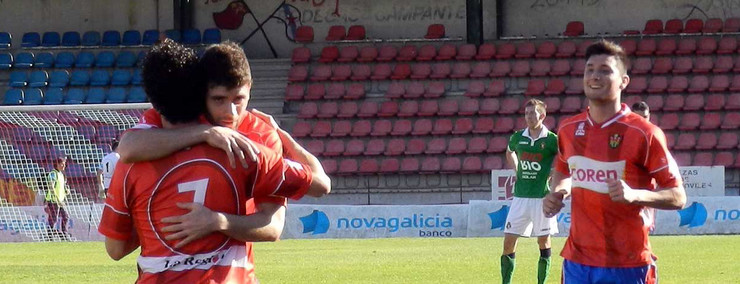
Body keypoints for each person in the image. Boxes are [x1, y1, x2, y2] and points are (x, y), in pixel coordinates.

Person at [98, 39, 330, 283]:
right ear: (202, 95)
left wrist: (217, 221)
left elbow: (273, 227)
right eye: (219, 99)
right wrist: (205, 133)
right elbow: (128, 147)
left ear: (250, 89)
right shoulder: (179, 122)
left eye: (238, 99)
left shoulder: (258, 139)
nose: (231, 113)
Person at [543, 40, 686, 284]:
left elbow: (678, 197)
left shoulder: (645, 133)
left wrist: (636, 195)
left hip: (628, 264)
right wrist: (558, 192)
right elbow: (563, 170)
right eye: (590, 69)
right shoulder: (568, 129)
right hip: (578, 262)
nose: (594, 76)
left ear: (624, 81)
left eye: (605, 70)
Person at [501, 98, 558, 284]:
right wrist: (516, 170)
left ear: (542, 115)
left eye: (533, 113)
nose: (529, 117)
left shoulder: (551, 140)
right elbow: (509, 152)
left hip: (542, 198)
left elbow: (566, 159)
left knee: (543, 242)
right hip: (520, 198)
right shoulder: (518, 137)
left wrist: (553, 174)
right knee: (508, 242)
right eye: (526, 113)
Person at [45, 157, 70, 241]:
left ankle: (64, 233)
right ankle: (50, 235)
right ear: (57, 164)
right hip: (53, 200)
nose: (64, 166)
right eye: (62, 164)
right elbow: (51, 186)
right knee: (54, 217)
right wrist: (55, 197)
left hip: (60, 200)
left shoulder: (61, 174)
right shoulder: (53, 173)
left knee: (65, 216)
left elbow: (62, 186)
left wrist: (66, 190)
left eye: (64, 164)